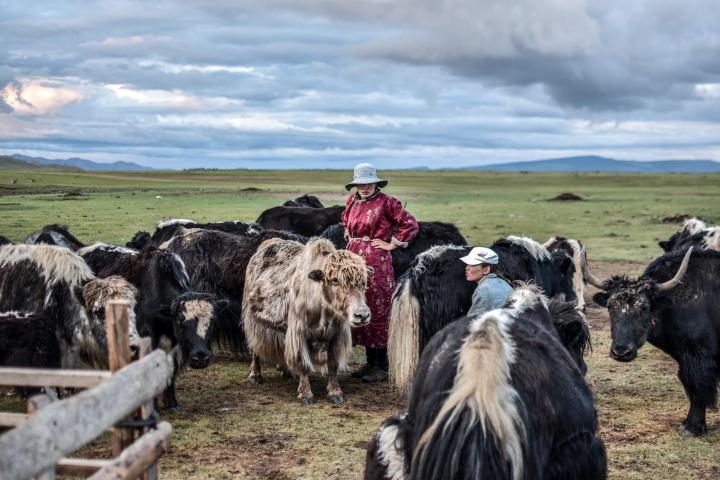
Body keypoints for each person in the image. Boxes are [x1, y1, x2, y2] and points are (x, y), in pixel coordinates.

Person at [342, 163, 419, 383]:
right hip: (354, 260)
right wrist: (352, 241)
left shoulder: (388, 202)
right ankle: (369, 363)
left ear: (376, 183)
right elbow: (345, 223)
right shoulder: (352, 201)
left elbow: (410, 224)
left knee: (378, 307)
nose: (364, 188)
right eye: (360, 184)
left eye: (368, 184)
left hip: (376, 261)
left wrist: (391, 244)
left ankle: (382, 366)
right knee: (357, 303)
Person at [459, 247, 513, 318]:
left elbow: (471, 322)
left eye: (472, 265)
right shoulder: (504, 283)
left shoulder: (482, 291)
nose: (467, 268)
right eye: (468, 264)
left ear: (486, 270)